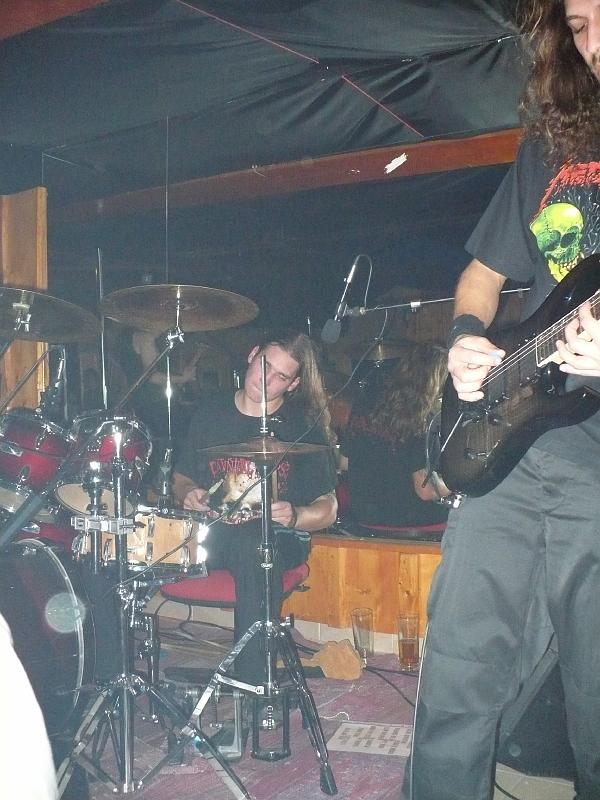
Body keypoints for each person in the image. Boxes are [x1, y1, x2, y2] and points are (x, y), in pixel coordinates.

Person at [403, 2, 600, 798]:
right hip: (514, 444)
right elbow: (483, 276)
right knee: (459, 671)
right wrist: (464, 337)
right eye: (580, 27)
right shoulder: (553, 145)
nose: (594, 43)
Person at [172, 330, 338, 685]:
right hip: (212, 534)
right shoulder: (210, 413)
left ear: (293, 385)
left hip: (276, 538)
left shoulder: (302, 427)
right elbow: (181, 477)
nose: (266, 379)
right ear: (251, 355)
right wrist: (188, 493)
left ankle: (253, 683)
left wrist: (296, 515)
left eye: (281, 376)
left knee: (253, 545)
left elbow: (329, 508)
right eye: (264, 365)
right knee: (117, 538)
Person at [337, 343, 449, 534]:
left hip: (364, 516)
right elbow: (425, 490)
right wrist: (457, 484)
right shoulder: (423, 418)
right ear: (437, 381)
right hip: (408, 520)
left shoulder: (363, 404)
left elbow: (344, 463)